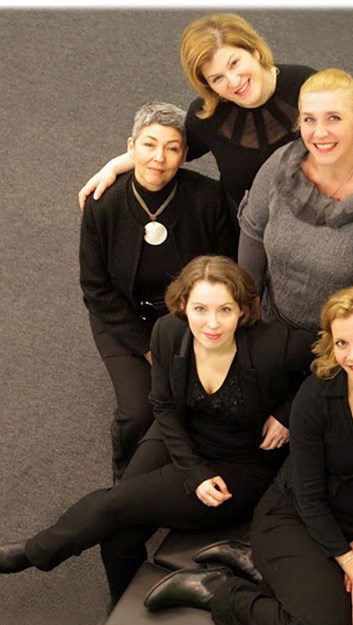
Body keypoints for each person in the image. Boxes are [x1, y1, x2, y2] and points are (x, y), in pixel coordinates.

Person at [143, 283, 353, 625]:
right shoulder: (316, 397)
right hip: (297, 517)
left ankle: (258, 567)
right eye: (341, 343)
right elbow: (309, 497)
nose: (352, 356)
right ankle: (216, 590)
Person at [0, 256, 314, 605]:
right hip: (178, 435)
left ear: (242, 310)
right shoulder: (168, 332)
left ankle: (38, 551)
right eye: (200, 309)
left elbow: (335, 361)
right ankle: (120, 606)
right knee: (119, 535)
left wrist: (287, 414)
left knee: (117, 506)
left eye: (225, 310)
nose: (212, 324)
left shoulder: (273, 343)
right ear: (183, 305)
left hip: (237, 465)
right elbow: (164, 406)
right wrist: (193, 471)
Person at [77, 12, 353, 226]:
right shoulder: (207, 116)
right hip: (256, 236)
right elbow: (170, 151)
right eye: (216, 78)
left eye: (235, 63)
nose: (232, 82)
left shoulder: (305, 83)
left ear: (253, 50)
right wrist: (115, 164)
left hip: (332, 224)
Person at [80, 101, 237, 481]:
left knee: (201, 402)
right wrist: (148, 347)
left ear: (185, 155)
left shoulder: (208, 198)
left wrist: (190, 330)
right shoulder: (104, 204)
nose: (159, 158)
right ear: (131, 147)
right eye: (149, 145)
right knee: (138, 411)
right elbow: (96, 288)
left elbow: (227, 269)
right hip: (122, 319)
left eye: (172, 148)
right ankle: (124, 481)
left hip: (190, 319)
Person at [238, 68, 353, 332]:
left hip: (340, 342)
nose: (319, 133)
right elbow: (253, 231)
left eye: (334, 118)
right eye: (309, 119)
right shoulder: (280, 164)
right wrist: (249, 304)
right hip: (271, 323)